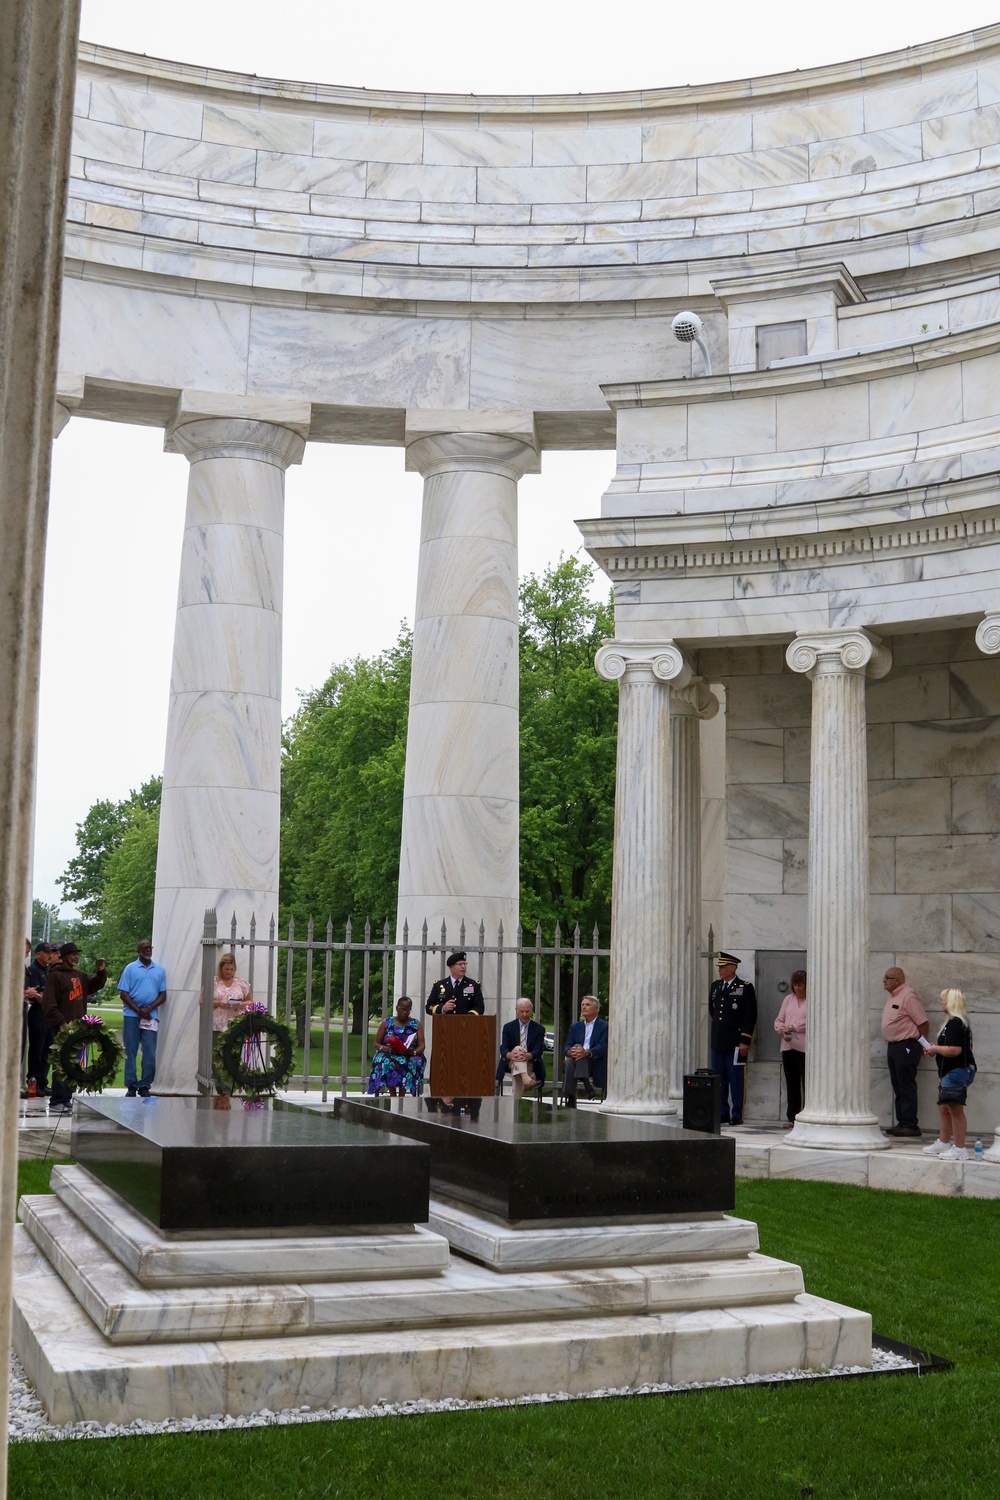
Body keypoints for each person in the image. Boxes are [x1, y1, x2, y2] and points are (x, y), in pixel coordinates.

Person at [42, 943, 108, 1114]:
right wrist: (61, 1022)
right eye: (73, 954)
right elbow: (49, 1004)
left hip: (79, 1028)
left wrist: (101, 972)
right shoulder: (55, 976)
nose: (77, 957)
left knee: (73, 1066)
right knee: (62, 1065)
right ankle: (57, 1101)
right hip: (63, 1028)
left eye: (78, 954)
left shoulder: (79, 975)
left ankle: (66, 1099)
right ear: (64, 956)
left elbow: (94, 985)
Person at [923, 989, 977, 1162]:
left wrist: (935, 1049)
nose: (941, 1002)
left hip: (956, 1071)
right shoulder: (954, 1023)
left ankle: (960, 1149)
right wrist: (935, 1050)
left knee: (955, 1109)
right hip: (951, 1071)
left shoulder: (955, 1024)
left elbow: (955, 1050)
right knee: (944, 1107)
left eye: (944, 999)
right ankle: (944, 1142)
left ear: (952, 1002)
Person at [709, 952, 757, 1127]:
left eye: (723, 967)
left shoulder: (745, 987)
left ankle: (737, 1113)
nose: (720, 970)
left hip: (736, 1043)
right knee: (719, 1079)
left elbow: (749, 1016)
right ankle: (722, 1112)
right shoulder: (715, 987)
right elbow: (713, 1012)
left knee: (736, 1079)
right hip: (718, 1042)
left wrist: (745, 1041)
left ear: (733, 968)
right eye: (719, 967)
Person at [880, 966, 929, 1137]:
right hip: (893, 1047)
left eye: (887, 977)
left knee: (906, 1085)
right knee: (897, 1085)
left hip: (906, 1046)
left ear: (897, 981)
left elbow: (922, 1023)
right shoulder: (893, 996)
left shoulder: (908, 995)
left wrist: (923, 1046)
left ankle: (910, 1124)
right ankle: (902, 1122)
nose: (884, 980)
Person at [117, 939, 167, 1097]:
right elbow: (123, 994)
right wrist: (138, 1010)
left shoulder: (159, 970)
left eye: (149, 947)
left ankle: (145, 1084)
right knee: (130, 1051)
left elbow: (163, 995)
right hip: (132, 1015)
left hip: (150, 1017)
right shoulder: (130, 969)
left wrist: (149, 1009)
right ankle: (131, 1084)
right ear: (138, 951)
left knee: (150, 1051)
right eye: (144, 948)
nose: (148, 950)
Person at [367, 996, 426, 1097]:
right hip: (390, 1053)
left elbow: (422, 1045)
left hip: (408, 1054)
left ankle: (402, 1095)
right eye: (402, 1009)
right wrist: (383, 1048)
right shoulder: (387, 1023)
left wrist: (413, 1052)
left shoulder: (416, 1024)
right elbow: (376, 1043)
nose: (405, 1012)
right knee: (387, 1061)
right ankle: (392, 1095)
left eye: (408, 1010)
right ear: (397, 1008)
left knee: (409, 1062)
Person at [773, 969, 807, 1128]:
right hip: (788, 1045)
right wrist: (782, 1029)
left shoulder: (811, 1000)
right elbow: (779, 1020)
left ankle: (807, 1114)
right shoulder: (788, 999)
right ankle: (792, 1116)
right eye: (795, 985)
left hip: (805, 1047)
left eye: (801, 985)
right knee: (791, 1082)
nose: (798, 989)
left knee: (807, 1082)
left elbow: (810, 1021)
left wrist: (794, 1027)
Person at [24, 941, 57, 1096]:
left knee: (48, 1049)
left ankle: (43, 1081)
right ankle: (34, 1080)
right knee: (37, 1049)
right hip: (38, 1014)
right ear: (38, 954)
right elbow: (37, 996)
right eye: (47, 952)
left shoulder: (50, 970)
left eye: (51, 952)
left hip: (49, 1015)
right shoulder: (33, 970)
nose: (50, 955)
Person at [561, 995, 608, 1107]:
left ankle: (571, 1098)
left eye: (587, 1005)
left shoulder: (604, 1026)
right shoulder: (575, 1027)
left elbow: (603, 1046)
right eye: (582, 1005)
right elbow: (567, 1045)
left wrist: (587, 1052)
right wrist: (569, 1051)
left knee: (577, 1055)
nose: (584, 1007)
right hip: (576, 1061)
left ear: (596, 1009)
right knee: (569, 1060)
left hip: (594, 1062)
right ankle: (586, 1088)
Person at [497, 997, 546, 1100]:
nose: (524, 1014)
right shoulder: (508, 1027)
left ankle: (514, 1105)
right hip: (510, 1062)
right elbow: (504, 1048)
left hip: (530, 1062)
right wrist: (511, 1055)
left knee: (517, 1070)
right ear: (516, 1011)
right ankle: (527, 1081)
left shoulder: (539, 1029)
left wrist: (527, 1055)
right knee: (518, 1049)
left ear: (531, 1011)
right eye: (522, 1011)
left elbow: (539, 1050)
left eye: (527, 1011)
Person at [201, 953, 253, 1033]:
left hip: (236, 1025)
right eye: (227, 969)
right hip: (216, 1026)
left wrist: (239, 1005)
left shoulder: (241, 983)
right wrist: (218, 1003)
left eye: (232, 969)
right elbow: (202, 1002)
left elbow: (250, 1002)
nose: (229, 972)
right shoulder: (212, 982)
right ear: (221, 968)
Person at [425, 951, 485, 1015]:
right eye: (460, 964)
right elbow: (429, 1007)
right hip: (444, 1023)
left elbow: (479, 1007)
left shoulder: (473, 985)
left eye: (465, 964)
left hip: (466, 1023)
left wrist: (469, 1017)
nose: (463, 967)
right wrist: (442, 1008)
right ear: (451, 967)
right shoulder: (439, 985)